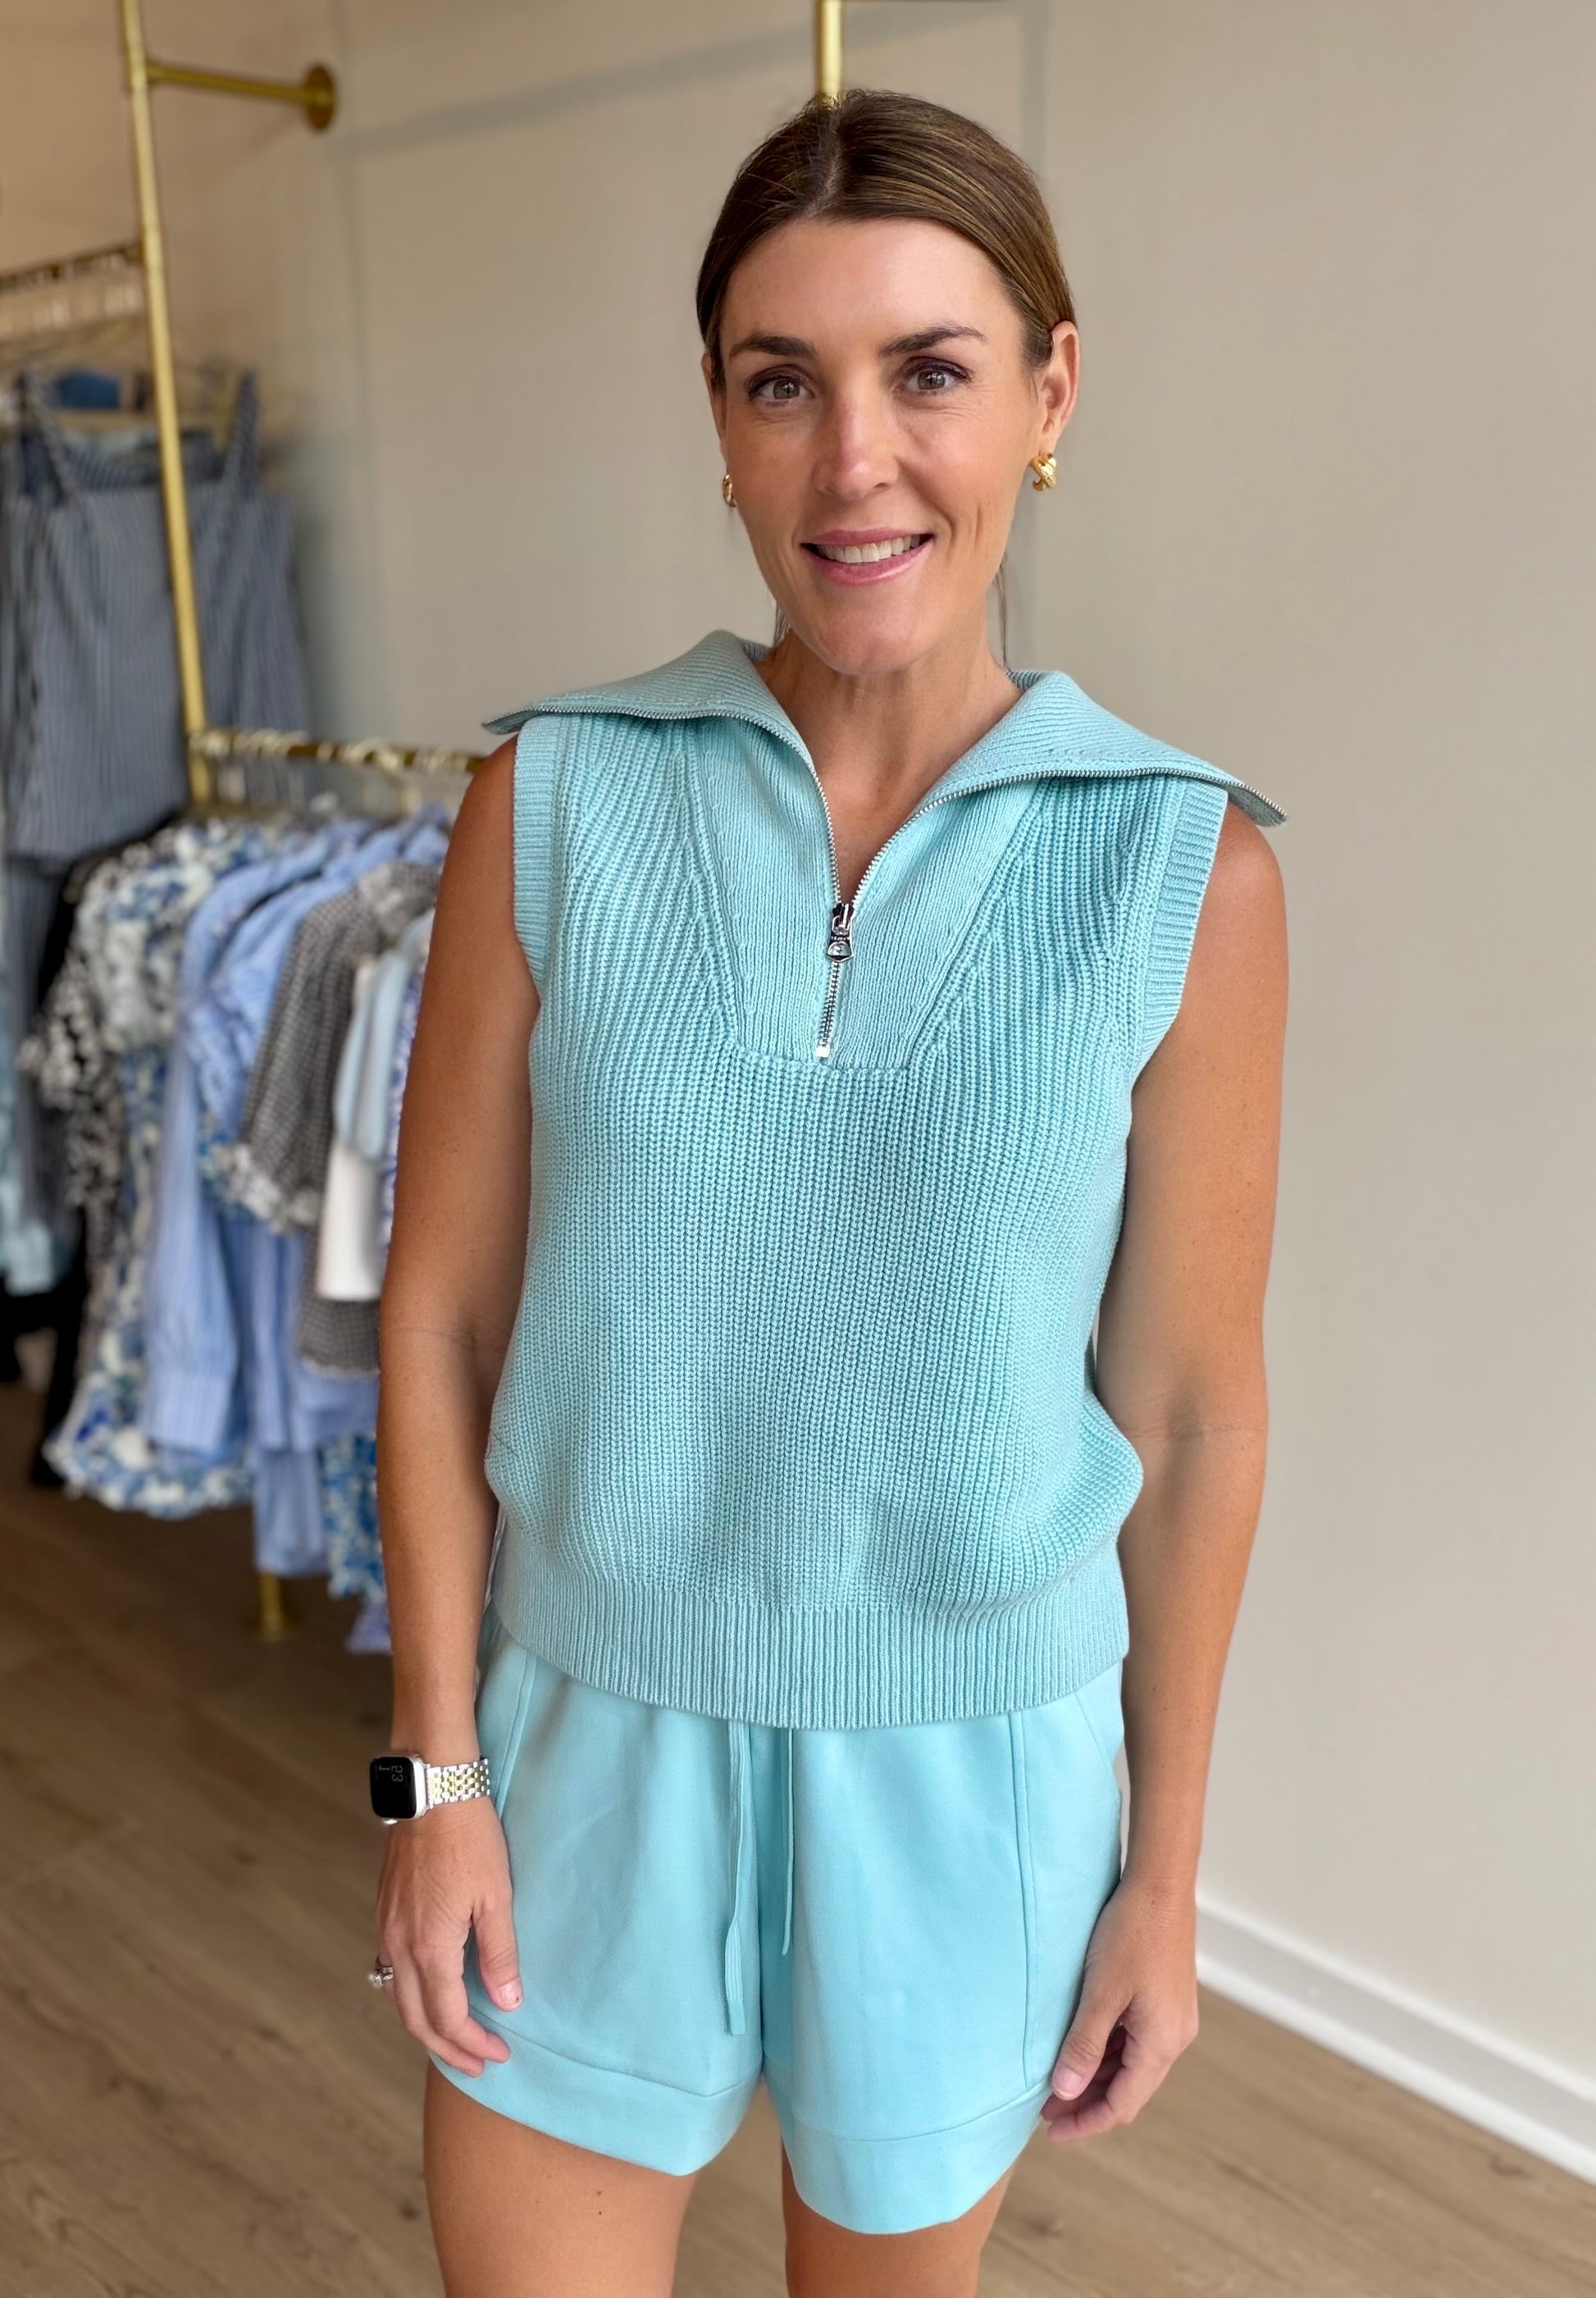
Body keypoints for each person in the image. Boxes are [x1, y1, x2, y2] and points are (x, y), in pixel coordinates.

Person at [372, 86, 1288, 2298]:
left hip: (975, 1774)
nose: (853, 459)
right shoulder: (550, 796)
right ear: (718, 421)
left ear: (1049, 395)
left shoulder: (1182, 866)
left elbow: (1187, 1413)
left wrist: (1164, 1877)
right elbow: (442, 1320)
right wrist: (434, 1775)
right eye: (780, 381)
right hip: (586, 1742)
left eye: (929, 371)